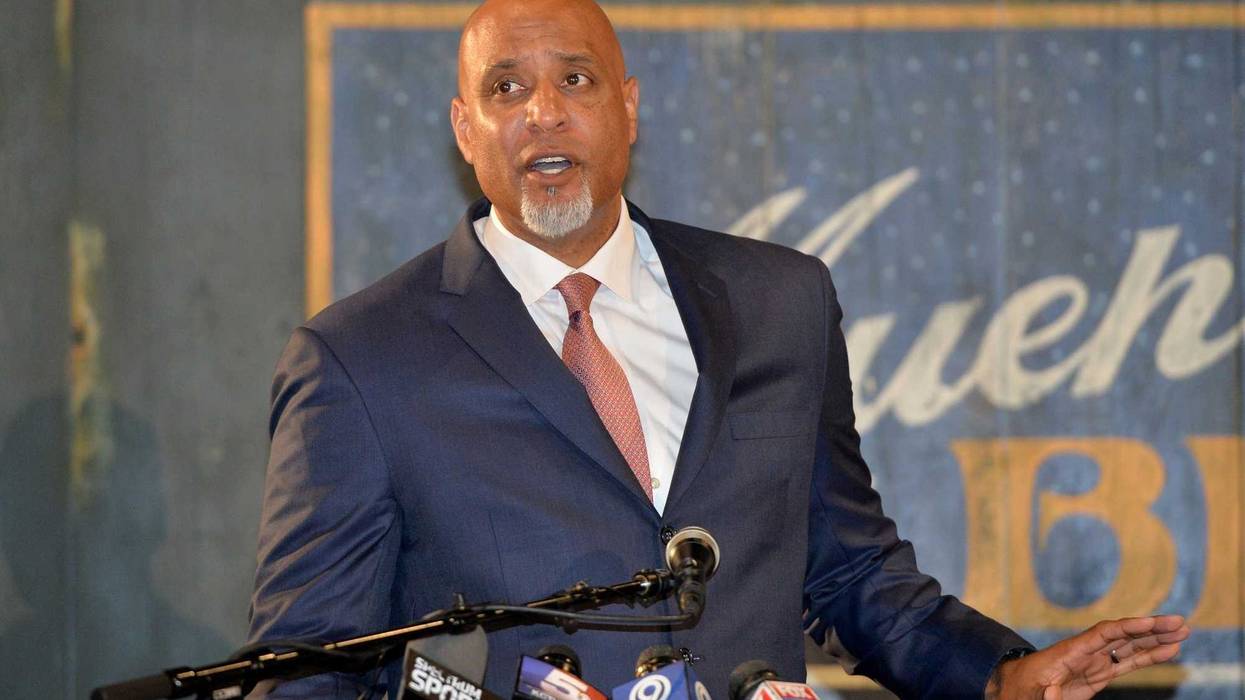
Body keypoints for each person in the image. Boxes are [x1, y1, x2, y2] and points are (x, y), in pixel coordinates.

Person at [248, 0, 1190, 697]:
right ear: (465, 129)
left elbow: (845, 568)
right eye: (505, 87)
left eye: (573, 79)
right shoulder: (360, 360)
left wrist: (1001, 677)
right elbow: (307, 668)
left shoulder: (779, 299)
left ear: (626, 106)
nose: (542, 110)